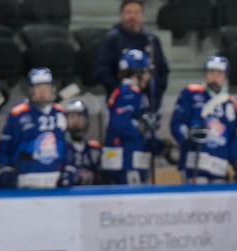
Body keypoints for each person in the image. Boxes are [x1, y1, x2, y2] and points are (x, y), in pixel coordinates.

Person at [170, 55, 237, 184]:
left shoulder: (230, 103)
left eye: (219, 74)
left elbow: (235, 135)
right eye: (211, 72)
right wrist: (187, 133)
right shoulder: (191, 93)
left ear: (225, 77)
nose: (214, 78)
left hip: (219, 168)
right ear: (205, 74)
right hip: (194, 164)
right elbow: (177, 122)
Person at [102, 48, 167, 185]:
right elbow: (121, 124)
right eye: (146, 71)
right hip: (126, 162)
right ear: (137, 72)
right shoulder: (128, 93)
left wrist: (159, 145)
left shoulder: (130, 92)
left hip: (129, 161)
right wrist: (145, 126)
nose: (148, 77)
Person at [0, 68, 67, 189]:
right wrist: (5, 168)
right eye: (38, 88)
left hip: (54, 178)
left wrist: (68, 168)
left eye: (46, 88)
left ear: (52, 89)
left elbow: (66, 145)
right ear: (31, 90)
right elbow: (4, 147)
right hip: (26, 179)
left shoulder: (60, 113)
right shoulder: (18, 113)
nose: (43, 92)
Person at [94, 0, 169, 109]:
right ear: (122, 15)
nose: (132, 16)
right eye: (128, 12)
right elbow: (103, 71)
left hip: (149, 103)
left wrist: (156, 95)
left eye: (136, 12)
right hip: (119, 104)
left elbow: (162, 70)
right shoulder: (111, 39)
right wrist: (121, 91)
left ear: (142, 15)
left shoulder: (151, 40)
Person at [61, 100, 104, 187]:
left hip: (90, 196)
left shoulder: (94, 148)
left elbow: (103, 177)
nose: (76, 121)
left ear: (87, 120)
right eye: (72, 117)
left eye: (80, 116)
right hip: (64, 196)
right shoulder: (59, 146)